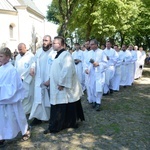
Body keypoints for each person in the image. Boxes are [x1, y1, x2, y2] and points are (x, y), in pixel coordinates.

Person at [43, 36, 85, 134]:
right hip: (57, 85)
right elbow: (56, 69)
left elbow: (67, 69)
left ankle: (57, 126)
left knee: (64, 104)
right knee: (63, 104)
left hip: (62, 86)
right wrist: (50, 80)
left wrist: (62, 83)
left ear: (61, 45)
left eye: (55, 43)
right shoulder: (57, 55)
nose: (52, 44)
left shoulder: (66, 55)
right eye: (52, 43)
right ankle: (65, 123)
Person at [0, 47, 31, 147]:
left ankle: (25, 131)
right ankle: (2, 136)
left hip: (11, 98)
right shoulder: (1, 69)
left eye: (1, 56)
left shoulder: (12, 70)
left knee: (17, 116)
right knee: (2, 119)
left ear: (8, 57)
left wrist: (1, 89)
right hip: (2, 98)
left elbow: (14, 86)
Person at [29, 35, 56, 126]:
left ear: (50, 42)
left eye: (46, 40)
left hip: (50, 80)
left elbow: (56, 67)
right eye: (43, 40)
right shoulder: (39, 51)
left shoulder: (54, 53)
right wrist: (32, 68)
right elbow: (34, 61)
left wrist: (50, 79)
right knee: (38, 98)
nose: (44, 42)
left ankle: (50, 117)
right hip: (39, 79)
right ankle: (38, 117)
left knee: (49, 99)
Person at [84, 39, 107, 111]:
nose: (90, 46)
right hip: (91, 73)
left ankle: (98, 103)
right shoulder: (88, 53)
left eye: (92, 44)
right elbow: (85, 63)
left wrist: (99, 64)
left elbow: (106, 63)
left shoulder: (102, 52)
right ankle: (93, 101)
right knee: (91, 87)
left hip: (99, 73)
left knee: (98, 88)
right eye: (90, 44)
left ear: (96, 45)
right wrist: (86, 69)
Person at [15, 43, 34, 115]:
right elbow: (16, 68)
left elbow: (32, 67)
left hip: (27, 80)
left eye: (21, 49)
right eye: (18, 50)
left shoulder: (31, 56)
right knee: (21, 97)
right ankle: (22, 112)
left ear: (25, 48)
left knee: (27, 96)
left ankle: (27, 113)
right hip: (19, 80)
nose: (19, 51)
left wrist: (23, 77)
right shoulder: (17, 57)